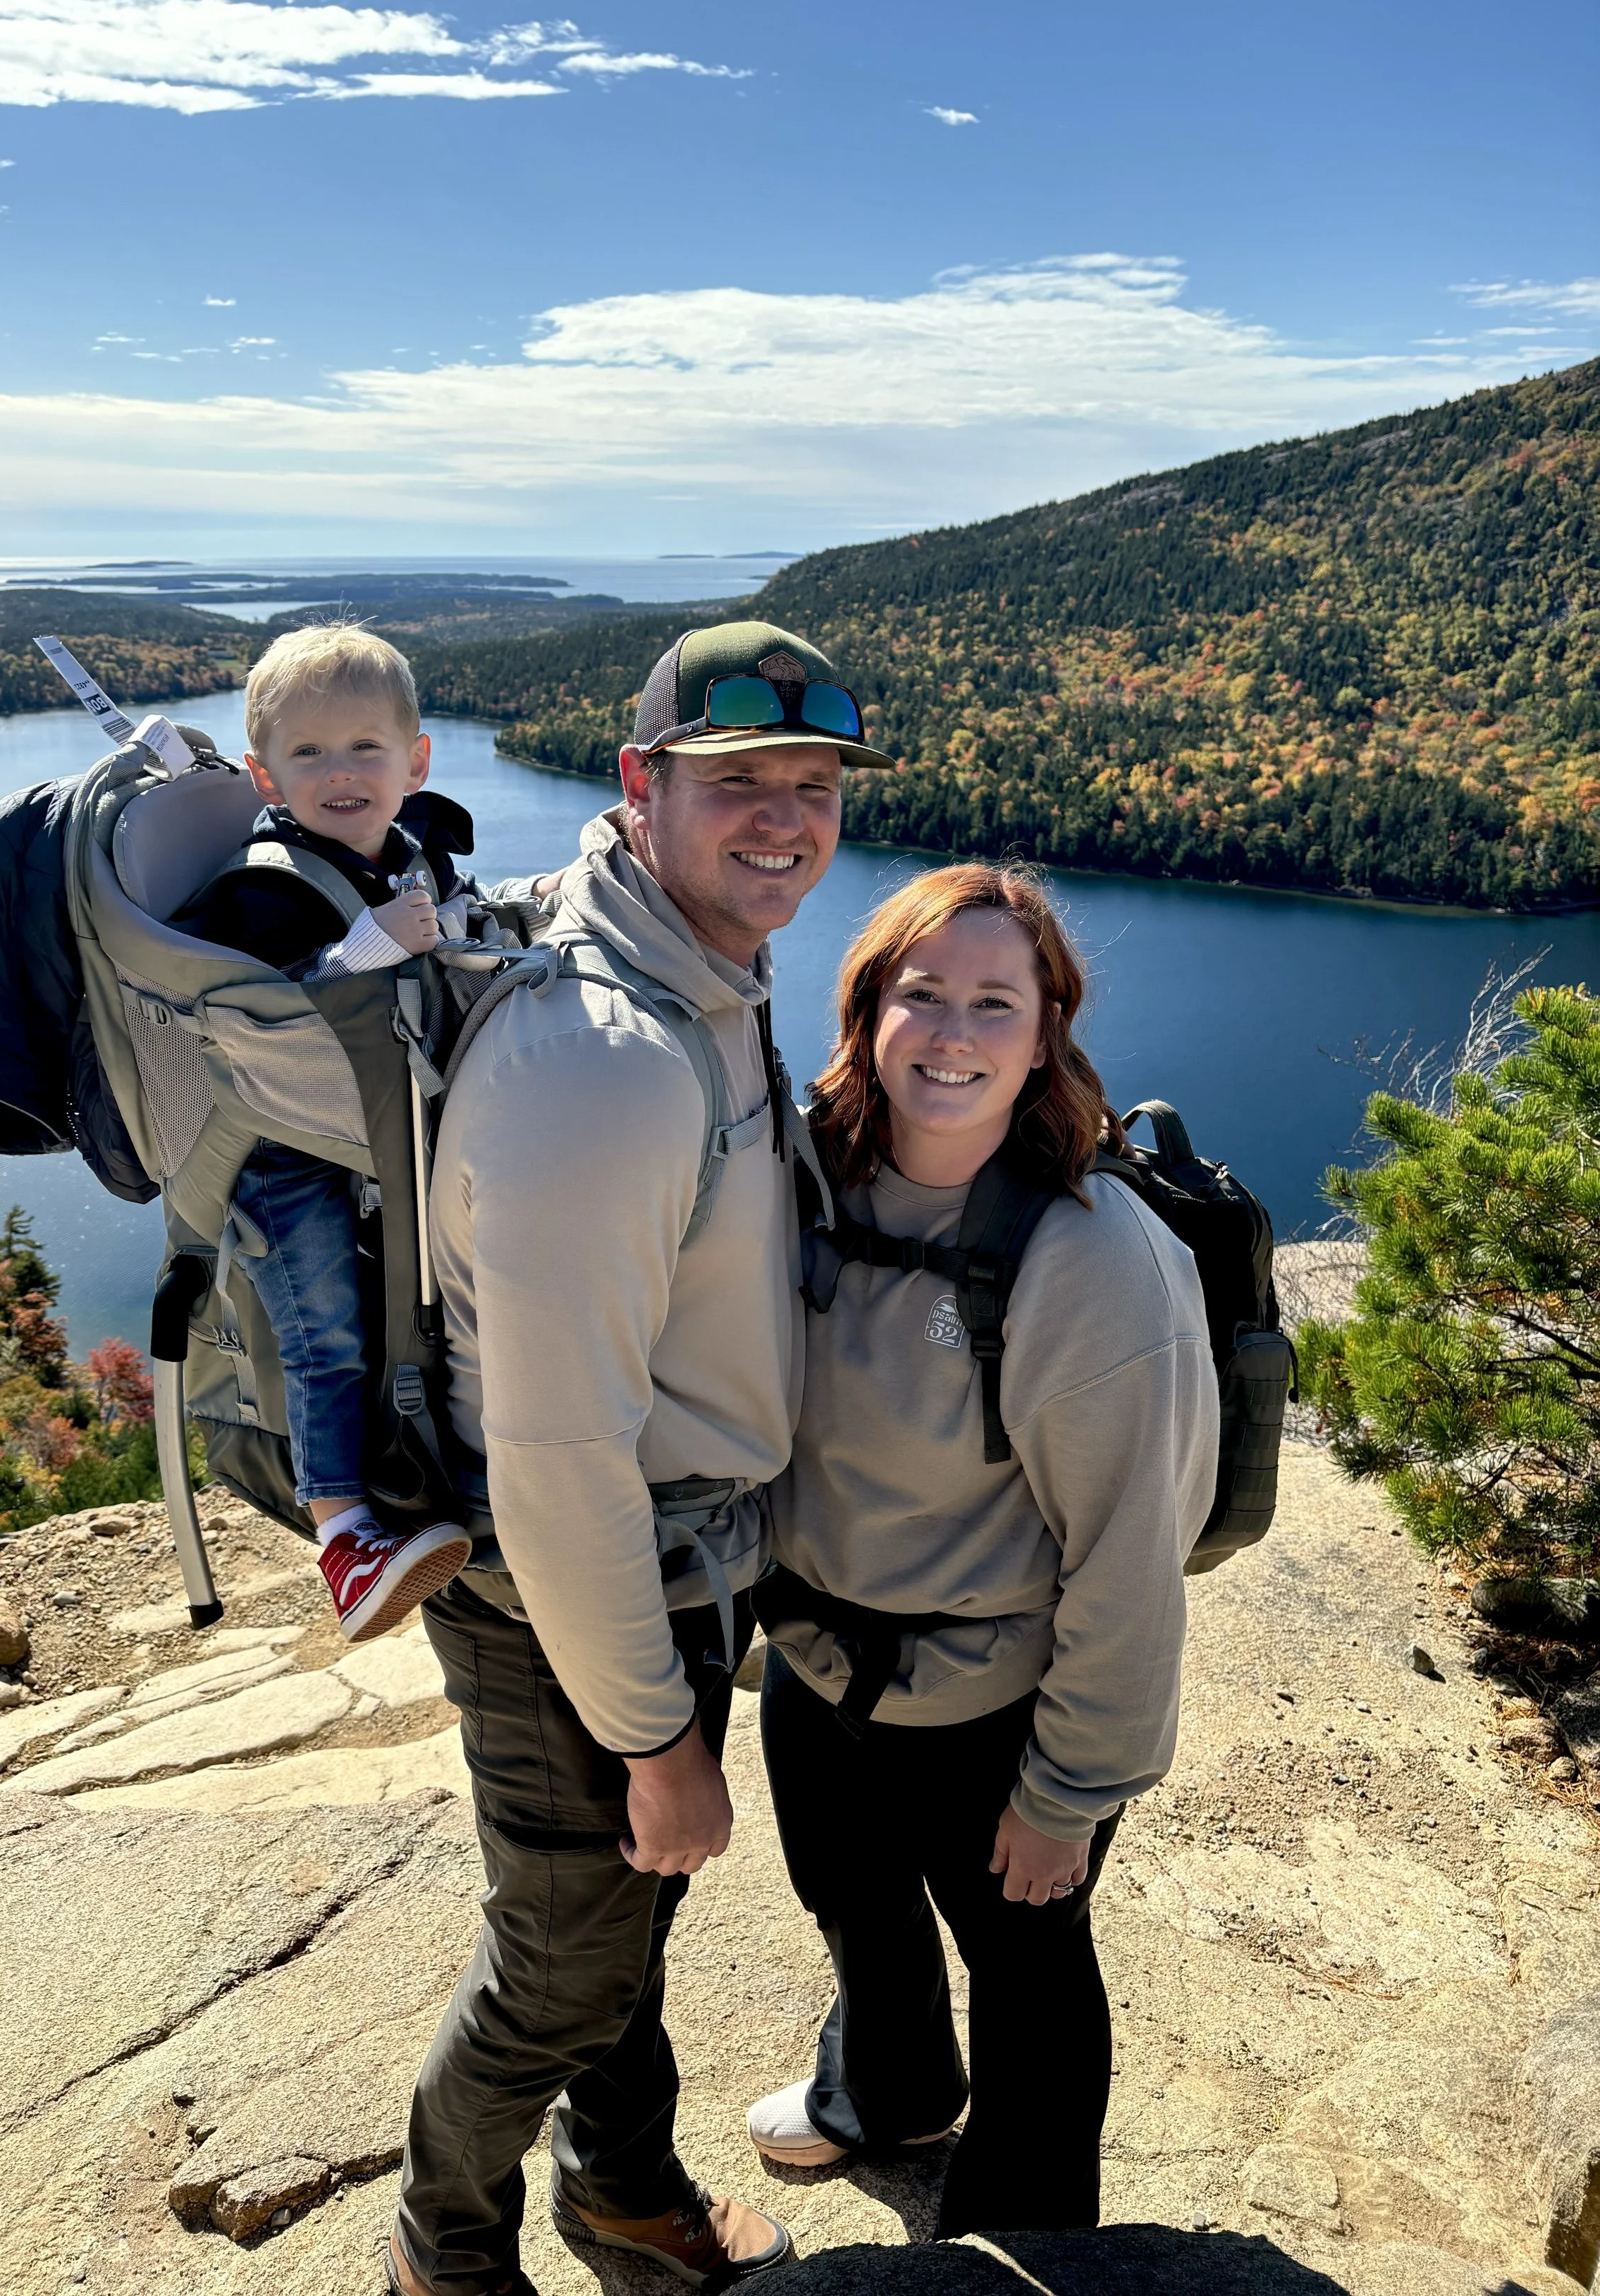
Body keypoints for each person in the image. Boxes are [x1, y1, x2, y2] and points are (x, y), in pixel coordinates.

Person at [388, 622, 894, 2296]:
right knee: (560, 1968)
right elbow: (551, 1461)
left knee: (620, 1933)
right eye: (734, 782)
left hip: (668, 1558)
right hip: (574, 1591)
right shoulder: (600, 1061)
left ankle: (617, 2190)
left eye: (812, 788)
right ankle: (442, 2262)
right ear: (638, 788)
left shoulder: (685, 966)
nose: (784, 819)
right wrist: (657, 1734)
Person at [747, 863, 1218, 2236]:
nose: (951, 1032)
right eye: (921, 992)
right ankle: (885, 2094)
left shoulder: (1089, 1259)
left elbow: (1132, 1558)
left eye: (993, 1003)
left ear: (1044, 1028)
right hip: (819, 1657)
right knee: (850, 1901)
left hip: (992, 1708)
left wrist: (1067, 1791)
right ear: (864, 1011)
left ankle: (1014, 2236)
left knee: (1025, 1978)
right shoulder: (804, 1177)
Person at [180, 622, 474, 1640]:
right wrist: (354, 958)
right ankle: (343, 1536)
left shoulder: (416, 852)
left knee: (417, 1308)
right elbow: (236, 1031)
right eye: (308, 754)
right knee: (327, 1335)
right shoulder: (256, 891)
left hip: (382, 1146)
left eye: (365, 748)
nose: (340, 774)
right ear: (265, 773)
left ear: (416, 760)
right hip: (281, 1161)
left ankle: (415, 1465)